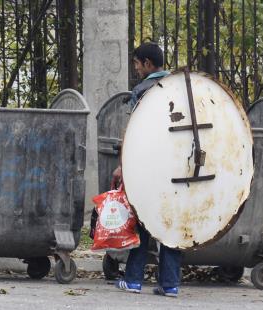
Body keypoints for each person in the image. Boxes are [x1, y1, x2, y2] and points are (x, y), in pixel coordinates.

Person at [113, 42, 181, 298]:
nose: (136, 68)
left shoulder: (143, 90)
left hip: (148, 167)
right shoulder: (179, 88)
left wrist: (122, 165)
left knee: (142, 220)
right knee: (172, 223)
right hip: (176, 168)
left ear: (148, 64)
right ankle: (170, 283)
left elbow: (133, 133)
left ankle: (133, 279)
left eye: (137, 63)